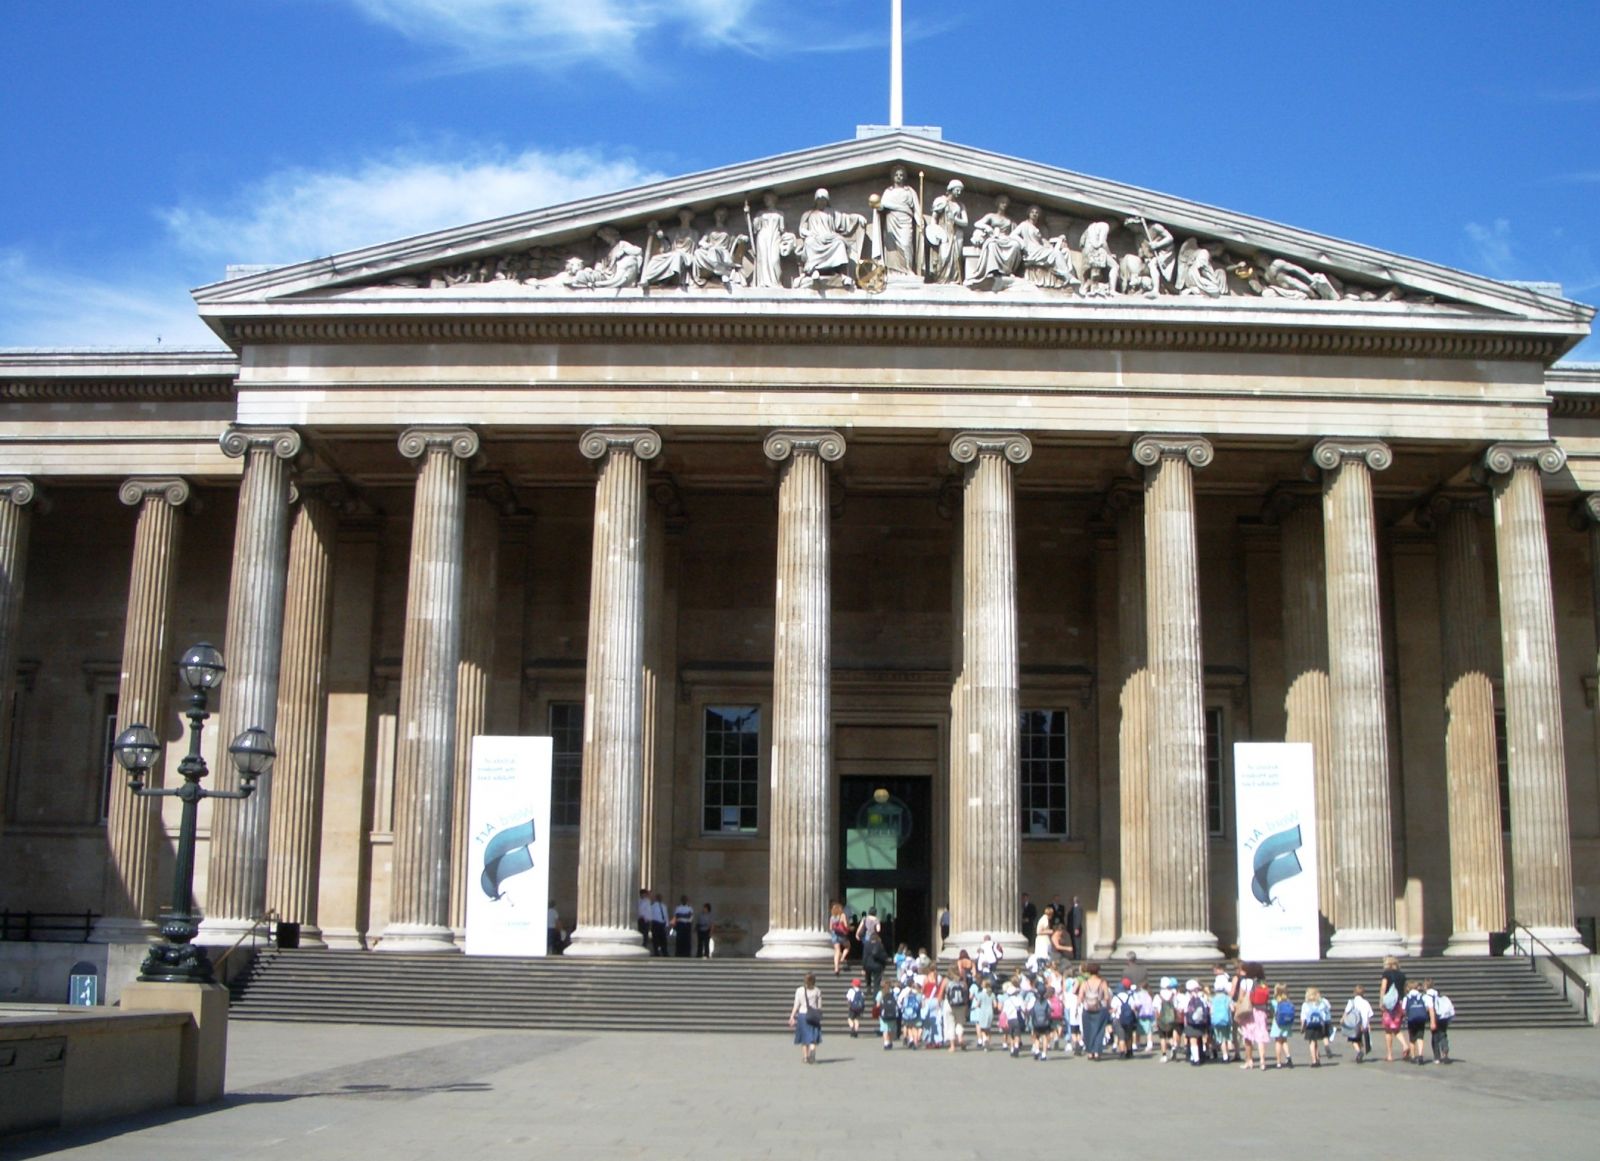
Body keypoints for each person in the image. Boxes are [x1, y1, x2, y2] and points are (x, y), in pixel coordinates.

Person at [876, 165, 922, 275]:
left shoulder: (910, 191)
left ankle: (908, 269)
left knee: (906, 244)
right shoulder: (888, 191)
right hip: (891, 221)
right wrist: (876, 205)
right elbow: (881, 206)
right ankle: (893, 271)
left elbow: (916, 209)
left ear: (904, 177)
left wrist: (920, 222)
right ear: (892, 177)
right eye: (896, 175)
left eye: (901, 175)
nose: (899, 177)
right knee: (892, 247)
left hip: (906, 220)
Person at [926, 179, 969, 283]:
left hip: (957, 234)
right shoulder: (942, 201)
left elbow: (966, 222)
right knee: (944, 256)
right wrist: (934, 231)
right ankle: (942, 280)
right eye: (957, 190)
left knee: (956, 257)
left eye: (960, 191)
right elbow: (934, 217)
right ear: (951, 189)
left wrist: (955, 220)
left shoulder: (961, 206)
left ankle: (953, 279)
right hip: (944, 232)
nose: (959, 193)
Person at [1235, 961, 1270, 1071]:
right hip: (1261, 1011)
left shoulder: (1245, 982)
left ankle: (1249, 1060)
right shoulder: (1262, 983)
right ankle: (1262, 1061)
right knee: (1260, 1037)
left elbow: (1240, 998)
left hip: (1249, 1011)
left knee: (1248, 1036)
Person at [749, 191, 788, 289]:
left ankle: (776, 283)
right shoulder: (760, 213)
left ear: (774, 200)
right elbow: (754, 228)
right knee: (763, 259)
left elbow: (783, 230)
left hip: (775, 237)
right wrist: (748, 216)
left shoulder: (780, 214)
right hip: (763, 236)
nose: (766, 201)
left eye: (768, 199)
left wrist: (789, 240)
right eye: (765, 199)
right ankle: (763, 283)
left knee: (775, 260)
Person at [788, 972, 823, 1064]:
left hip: (802, 1015)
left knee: (804, 1038)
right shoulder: (817, 991)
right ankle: (812, 1052)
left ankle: (805, 1057)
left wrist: (792, 1016)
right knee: (813, 1037)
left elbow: (796, 1004)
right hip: (813, 1016)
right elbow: (819, 1006)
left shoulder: (799, 990)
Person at [1079, 962, 1111, 1060]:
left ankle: (1090, 1052)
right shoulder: (1102, 982)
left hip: (1087, 1009)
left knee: (1088, 1030)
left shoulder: (1085, 983)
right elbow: (1106, 997)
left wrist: (1080, 1005)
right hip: (1100, 1009)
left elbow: (1080, 997)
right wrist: (1108, 1007)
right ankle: (1097, 1052)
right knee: (1099, 1030)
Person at [1380, 955, 1408, 1061]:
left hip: (1389, 1004)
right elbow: (1404, 990)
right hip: (1399, 1003)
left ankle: (1390, 1055)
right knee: (1396, 1027)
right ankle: (1405, 1044)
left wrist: (1381, 1001)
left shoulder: (1386, 974)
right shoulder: (1402, 975)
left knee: (1388, 1030)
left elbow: (1383, 988)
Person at [1341, 984, 1374, 1063]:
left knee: (1353, 1040)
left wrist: (1343, 1019)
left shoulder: (1351, 1002)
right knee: (1359, 1038)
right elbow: (1370, 1014)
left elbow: (1347, 1011)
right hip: (1363, 1023)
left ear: (1354, 993)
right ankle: (1360, 1052)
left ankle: (1359, 1051)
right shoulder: (1366, 1002)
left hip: (1354, 1024)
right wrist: (1368, 1024)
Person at [1402, 980, 1432, 1063]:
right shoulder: (1423, 996)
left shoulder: (1406, 997)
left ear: (1408, 988)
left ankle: (1412, 1056)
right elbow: (1427, 1007)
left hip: (1411, 1019)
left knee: (1412, 1038)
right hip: (1421, 1019)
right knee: (1420, 1037)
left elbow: (1403, 1010)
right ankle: (1420, 1055)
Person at [1301, 986, 1332, 1066]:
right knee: (1316, 1041)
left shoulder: (1305, 1004)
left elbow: (1303, 1018)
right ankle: (1318, 1058)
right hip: (1319, 1025)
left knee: (1312, 1042)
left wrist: (1302, 1027)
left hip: (1310, 1026)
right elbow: (1327, 1009)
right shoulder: (1320, 1003)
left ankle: (1314, 1060)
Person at [1425, 979, 1454, 1064]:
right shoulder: (1438, 994)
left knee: (1435, 1037)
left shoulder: (1428, 996)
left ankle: (1437, 1057)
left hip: (1435, 1017)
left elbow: (1431, 1009)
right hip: (1444, 1017)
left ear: (1425, 986)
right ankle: (1445, 1051)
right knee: (1443, 1034)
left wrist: (1432, 1022)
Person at [1182, 979, 1210, 1065]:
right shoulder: (1203, 996)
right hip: (1202, 1021)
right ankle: (1201, 1055)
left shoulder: (1186, 997)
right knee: (1200, 1038)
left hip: (1190, 1021)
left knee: (1192, 1039)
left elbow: (1183, 1009)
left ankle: (1195, 1058)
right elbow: (1208, 1006)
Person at [1270, 982, 1296, 1068]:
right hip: (1286, 1023)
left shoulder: (1274, 1002)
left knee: (1278, 1041)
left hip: (1277, 1024)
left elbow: (1271, 1012)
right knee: (1284, 1041)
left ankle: (1278, 1062)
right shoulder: (1288, 1002)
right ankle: (1288, 1057)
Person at [970, 976, 996, 1051]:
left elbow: (978, 1004)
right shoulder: (992, 994)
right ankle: (988, 1042)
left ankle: (985, 1041)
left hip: (983, 1011)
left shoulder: (980, 994)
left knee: (983, 1028)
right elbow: (995, 1005)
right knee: (988, 1028)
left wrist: (974, 1007)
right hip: (990, 1011)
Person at [828, 900, 851, 975]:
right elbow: (846, 925)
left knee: (837, 951)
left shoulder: (832, 917)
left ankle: (836, 968)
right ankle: (842, 958)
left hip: (834, 935)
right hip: (842, 935)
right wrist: (849, 928)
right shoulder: (842, 915)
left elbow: (831, 928)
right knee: (847, 946)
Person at [649, 892, 669, 956]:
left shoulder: (664, 906)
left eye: (661, 897)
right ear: (656, 898)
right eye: (659, 897)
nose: (660, 898)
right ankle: (656, 952)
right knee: (656, 939)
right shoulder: (653, 906)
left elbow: (666, 915)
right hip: (656, 923)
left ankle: (665, 952)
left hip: (662, 924)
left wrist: (667, 924)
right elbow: (650, 915)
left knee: (663, 939)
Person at [1065, 896, 1085, 960]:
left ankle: (1077, 957)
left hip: (1076, 929)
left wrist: (1077, 928)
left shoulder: (1078, 908)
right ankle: (1075, 956)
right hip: (1072, 929)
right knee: (1074, 943)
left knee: (1077, 943)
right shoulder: (1072, 908)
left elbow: (1078, 919)